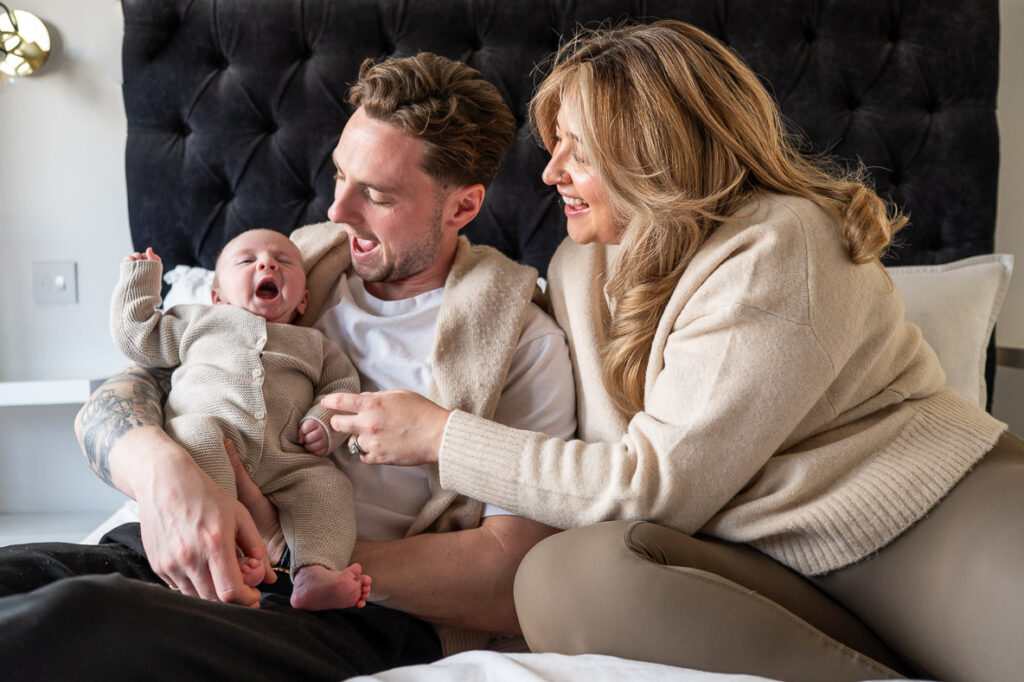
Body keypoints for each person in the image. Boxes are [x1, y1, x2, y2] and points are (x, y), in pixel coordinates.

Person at [324, 21, 1024, 682]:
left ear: (651, 152)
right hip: (766, 565)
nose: (550, 172)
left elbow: (651, 489)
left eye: (578, 151)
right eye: (555, 145)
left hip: (924, 522)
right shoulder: (579, 266)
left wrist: (440, 435)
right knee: (560, 578)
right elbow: (583, 459)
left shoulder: (780, 241)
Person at [0, 52, 575, 680]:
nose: (337, 212)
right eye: (340, 176)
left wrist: (289, 548)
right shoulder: (292, 273)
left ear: (461, 208)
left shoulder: (519, 343)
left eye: (376, 195)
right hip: (169, 540)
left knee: (68, 622)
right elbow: (122, 395)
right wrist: (166, 478)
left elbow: (512, 574)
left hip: (340, 608)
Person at [111, 230, 370, 611]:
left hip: (286, 461)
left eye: (284, 261)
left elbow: (342, 387)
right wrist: (139, 280)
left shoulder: (316, 345)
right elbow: (138, 339)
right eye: (247, 261)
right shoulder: (196, 319)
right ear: (217, 295)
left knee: (329, 486)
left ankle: (315, 572)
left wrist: (323, 422)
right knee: (192, 433)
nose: (267, 264)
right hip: (210, 437)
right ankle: (224, 556)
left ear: (303, 300)